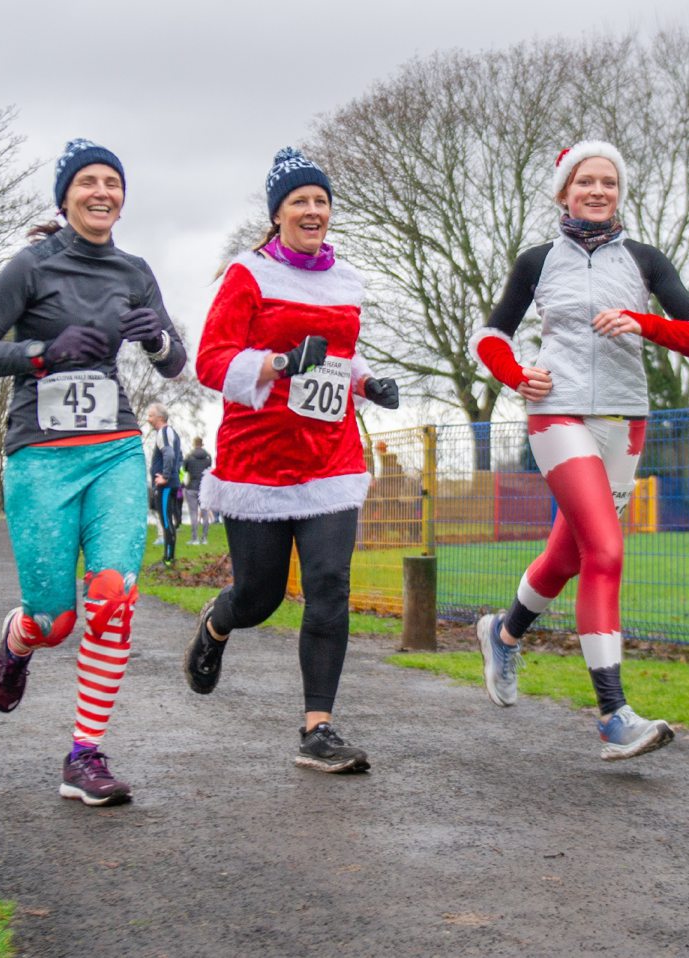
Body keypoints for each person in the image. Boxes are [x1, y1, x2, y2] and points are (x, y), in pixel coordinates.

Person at [469, 140, 689, 760]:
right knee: (606, 550)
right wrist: (513, 373)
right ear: (564, 191)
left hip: (625, 420)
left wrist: (646, 324)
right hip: (556, 412)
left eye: (609, 182)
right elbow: (489, 334)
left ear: (619, 192)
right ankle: (613, 714)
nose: (599, 190)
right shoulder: (537, 261)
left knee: (569, 556)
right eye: (586, 180)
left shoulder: (643, 261)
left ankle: (502, 633)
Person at [0, 138, 187, 806]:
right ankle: (19, 637)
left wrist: (157, 338)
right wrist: (40, 353)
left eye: (112, 182)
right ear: (65, 196)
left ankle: (84, 754)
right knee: (55, 620)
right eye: (88, 182)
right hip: (41, 456)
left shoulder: (134, 270)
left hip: (114, 446)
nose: (102, 192)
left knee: (114, 596)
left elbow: (175, 364)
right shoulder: (30, 268)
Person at [189, 147, 400, 774]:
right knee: (259, 596)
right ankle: (218, 626)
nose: (313, 210)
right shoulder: (247, 276)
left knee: (330, 586)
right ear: (277, 213)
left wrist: (366, 384)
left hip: (329, 456)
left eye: (321, 201)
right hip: (257, 460)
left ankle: (319, 728)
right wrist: (278, 363)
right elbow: (209, 361)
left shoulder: (348, 281)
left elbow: (338, 358)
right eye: (299, 201)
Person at [145, 404, 183, 566]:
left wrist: (166, 477)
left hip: (166, 486)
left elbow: (169, 453)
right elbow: (179, 457)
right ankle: (168, 558)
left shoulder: (164, 432)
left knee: (166, 521)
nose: (148, 419)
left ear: (160, 417)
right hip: (172, 484)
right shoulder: (172, 432)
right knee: (168, 520)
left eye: (151, 416)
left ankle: (168, 559)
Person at [182, 436, 213, 545]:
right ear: (202, 444)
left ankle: (194, 539)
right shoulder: (208, 457)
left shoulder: (189, 457)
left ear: (194, 444)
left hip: (191, 487)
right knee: (205, 514)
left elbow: (184, 469)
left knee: (193, 513)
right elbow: (209, 470)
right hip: (204, 488)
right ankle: (204, 538)